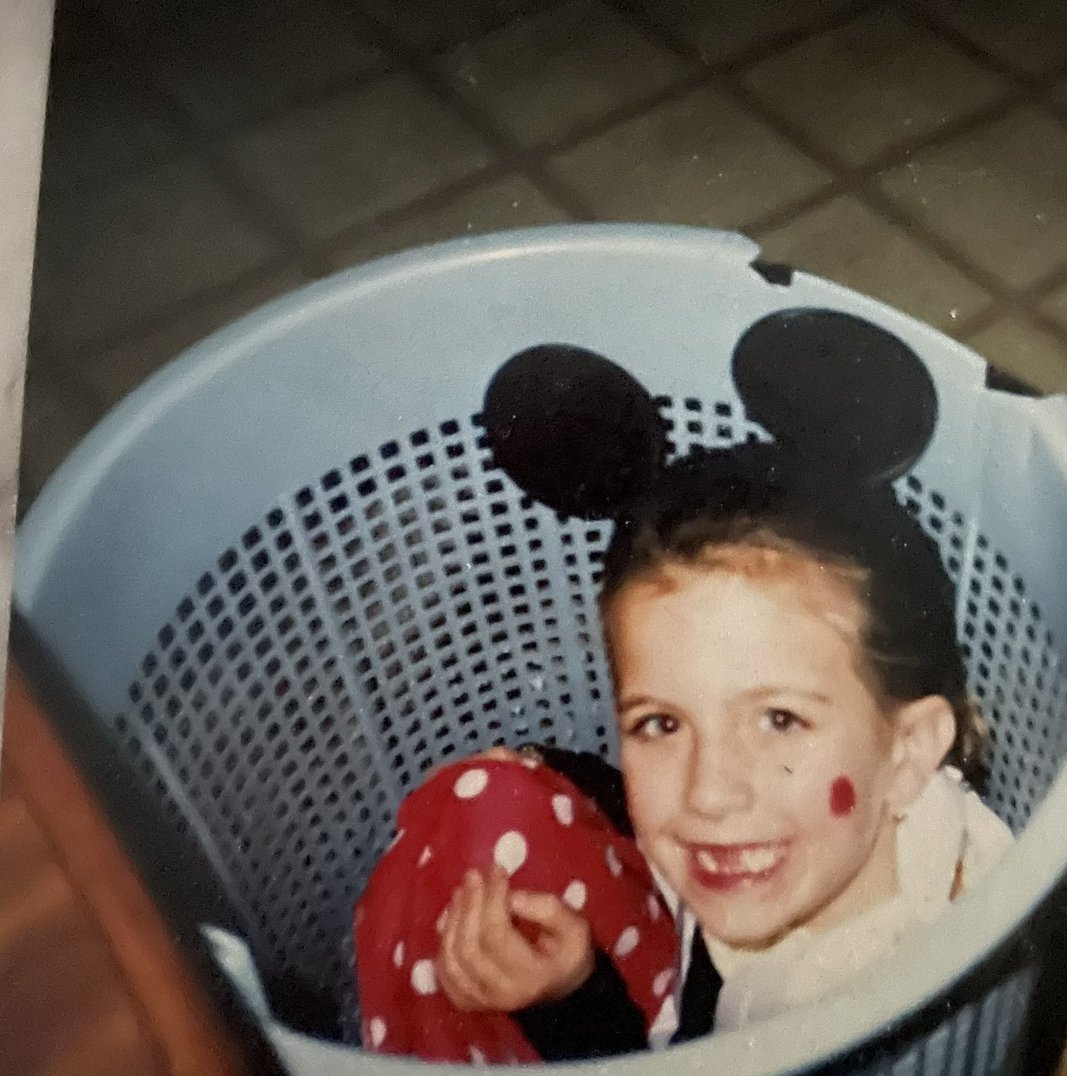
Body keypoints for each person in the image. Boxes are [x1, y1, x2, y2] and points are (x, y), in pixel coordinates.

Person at [355, 308, 1014, 1061]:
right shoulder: (798, 842)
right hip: (672, 967)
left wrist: (575, 1009)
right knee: (489, 796)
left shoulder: (868, 1010)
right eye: (662, 724)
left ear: (907, 754)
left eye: (778, 720)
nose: (709, 793)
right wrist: (564, 778)